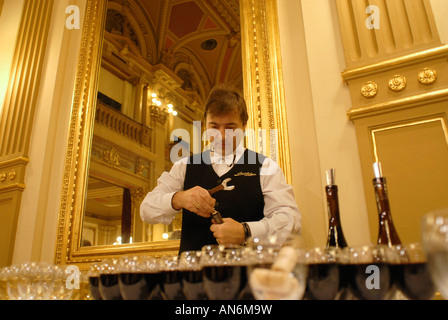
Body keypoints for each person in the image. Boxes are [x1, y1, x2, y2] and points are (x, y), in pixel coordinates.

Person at [140, 85, 301, 253]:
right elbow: (147, 210)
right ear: (205, 125)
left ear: (244, 125)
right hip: (193, 276)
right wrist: (178, 199)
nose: (222, 135)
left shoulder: (266, 167)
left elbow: (291, 220)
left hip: (248, 275)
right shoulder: (183, 166)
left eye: (231, 127)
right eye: (214, 126)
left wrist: (246, 231)